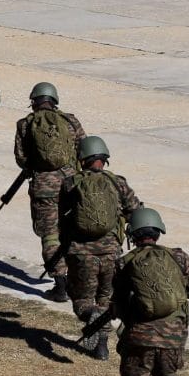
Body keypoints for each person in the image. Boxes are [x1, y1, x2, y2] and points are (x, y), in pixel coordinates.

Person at [112, 208, 189, 376]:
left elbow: (117, 305)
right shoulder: (178, 256)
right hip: (174, 335)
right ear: (158, 231)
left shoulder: (123, 263)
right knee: (167, 374)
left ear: (132, 234)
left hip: (140, 337)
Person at [61, 135, 142, 361]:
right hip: (111, 253)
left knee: (82, 301)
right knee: (106, 300)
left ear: (82, 159)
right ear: (104, 158)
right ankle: (102, 348)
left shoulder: (70, 184)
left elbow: (63, 220)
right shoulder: (118, 183)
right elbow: (135, 213)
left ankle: (91, 317)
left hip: (81, 254)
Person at [13, 82, 86, 302]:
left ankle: (60, 284)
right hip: (71, 185)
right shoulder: (70, 121)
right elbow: (85, 149)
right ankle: (80, 278)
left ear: (34, 101)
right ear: (54, 100)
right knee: (74, 231)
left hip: (44, 188)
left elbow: (21, 158)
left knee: (50, 235)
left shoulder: (25, 125)